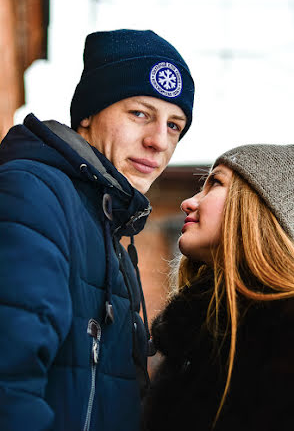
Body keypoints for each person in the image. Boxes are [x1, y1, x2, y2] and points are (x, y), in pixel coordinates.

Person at [0, 29, 194, 431]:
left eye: (175, 125)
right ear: (88, 113)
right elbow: (8, 379)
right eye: (140, 113)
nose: (159, 141)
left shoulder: (111, 233)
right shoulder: (35, 192)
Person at [143, 143, 294, 431]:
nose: (188, 202)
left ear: (260, 208)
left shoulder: (283, 335)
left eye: (215, 183)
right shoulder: (194, 335)